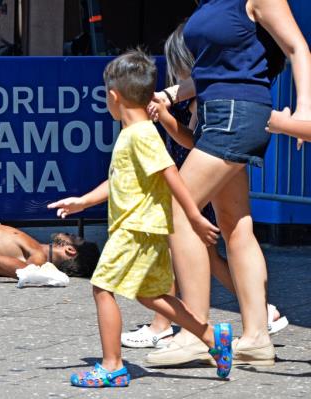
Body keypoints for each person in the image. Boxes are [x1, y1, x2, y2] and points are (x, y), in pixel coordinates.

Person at [48, 50, 232, 388]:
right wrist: (83, 201)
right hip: (142, 229)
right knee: (151, 296)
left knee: (102, 286)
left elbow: (170, 172)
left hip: (136, 229)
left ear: (113, 97)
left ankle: (112, 365)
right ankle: (210, 336)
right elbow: (120, 179)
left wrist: (193, 216)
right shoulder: (134, 135)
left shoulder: (141, 135)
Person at [146, 0, 311, 367]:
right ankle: (256, 338)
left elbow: (298, 48)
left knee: (179, 208)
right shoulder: (212, 3)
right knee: (235, 226)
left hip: (238, 111)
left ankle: (193, 332)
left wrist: (305, 110)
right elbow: (210, 70)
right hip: (214, 110)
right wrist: (173, 94)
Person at [122, 22, 288, 350]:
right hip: (217, 151)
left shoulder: (213, 93)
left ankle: (182, 327)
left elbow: (198, 141)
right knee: (228, 234)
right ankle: (257, 318)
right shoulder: (213, 95)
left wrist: (291, 122)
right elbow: (196, 139)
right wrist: (170, 121)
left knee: (181, 224)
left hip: (215, 153)